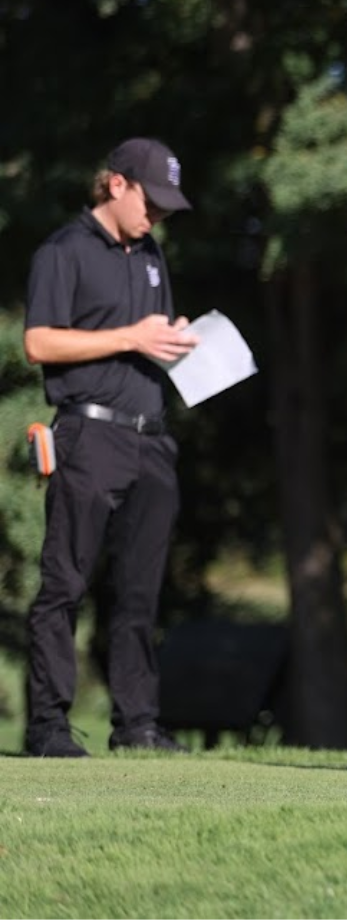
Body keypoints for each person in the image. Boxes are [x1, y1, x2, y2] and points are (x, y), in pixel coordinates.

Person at [22, 138, 200, 757]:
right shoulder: (63, 251)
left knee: (140, 591)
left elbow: (151, 338)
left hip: (151, 437)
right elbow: (39, 343)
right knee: (65, 583)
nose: (158, 216)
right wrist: (130, 337)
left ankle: (137, 724)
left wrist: (175, 339)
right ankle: (48, 725)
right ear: (117, 184)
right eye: (152, 202)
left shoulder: (151, 255)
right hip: (88, 435)